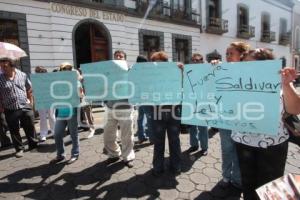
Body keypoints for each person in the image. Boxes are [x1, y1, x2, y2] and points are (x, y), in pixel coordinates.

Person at [231, 48, 289, 200]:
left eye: (250, 63)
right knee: (248, 185)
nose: (246, 67)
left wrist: (287, 85)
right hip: (243, 142)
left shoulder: (280, 81)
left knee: (270, 188)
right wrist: (213, 70)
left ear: (266, 64)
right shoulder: (236, 80)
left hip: (273, 145)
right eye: (244, 64)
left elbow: (296, 108)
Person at [216, 42, 250, 192]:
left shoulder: (251, 71)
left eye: (232, 53)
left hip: (242, 118)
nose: (228, 57)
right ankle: (225, 177)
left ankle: (237, 179)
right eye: (227, 54)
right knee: (226, 148)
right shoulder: (221, 69)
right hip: (224, 117)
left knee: (239, 150)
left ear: (242, 55)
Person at [149, 51, 182, 176]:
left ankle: (176, 166)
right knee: (158, 141)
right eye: (156, 63)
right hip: (157, 111)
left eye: (161, 63)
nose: (158, 65)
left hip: (174, 111)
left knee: (174, 140)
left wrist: (182, 71)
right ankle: (158, 167)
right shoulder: (149, 77)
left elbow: (187, 82)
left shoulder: (176, 73)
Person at [0, 58, 38, 157]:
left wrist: (30, 103)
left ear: (12, 66)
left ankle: (33, 144)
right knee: (14, 130)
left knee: (30, 125)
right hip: (10, 108)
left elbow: (29, 89)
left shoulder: (22, 75)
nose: (3, 68)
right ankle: (19, 149)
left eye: (5, 66)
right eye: (1, 66)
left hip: (25, 105)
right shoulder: (0, 78)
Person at [103, 50, 135, 168]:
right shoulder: (108, 72)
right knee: (108, 135)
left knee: (127, 135)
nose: (118, 57)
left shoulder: (131, 71)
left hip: (125, 107)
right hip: (110, 108)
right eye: (116, 56)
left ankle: (128, 157)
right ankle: (114, 154)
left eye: (121, 56)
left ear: (125, 59)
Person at [50, 63, 81, 164]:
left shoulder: (76, 83)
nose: (66, 70)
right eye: (64, 69)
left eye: (68, 69)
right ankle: (61, 155)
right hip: (61, 113)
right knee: (57, 134)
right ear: (60, 71)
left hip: (72, 112)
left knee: (73, 135)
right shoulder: (57, 83)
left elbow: (82, 96)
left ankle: (75, 154)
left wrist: (78, 91)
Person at [188, 53, 209, 155]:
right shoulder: (188, 71)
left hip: (203, 103)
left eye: (197, 60)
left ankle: (204, 147)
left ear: (202, 61)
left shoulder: (207, 71)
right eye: (193, 60)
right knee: (192, 127)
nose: (195, 61)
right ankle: (194, 145)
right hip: (191, 103)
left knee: (202, 127)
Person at [35, 66, 55, 142]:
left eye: (41, 72)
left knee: (52, 116)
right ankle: (43, 134)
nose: (39, 73)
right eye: (38, 72)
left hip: (50, 99)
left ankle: (54, 132)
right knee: (42, 118)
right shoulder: (35, 80)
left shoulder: (49, 79)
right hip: (40, 100)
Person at [135, 55, 153, 144]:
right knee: (150, 118)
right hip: (146, 98)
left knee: (140, 118)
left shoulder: (135, 70)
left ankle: (141, 136)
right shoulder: (145, 71)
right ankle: (152, 138)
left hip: (139, 98)